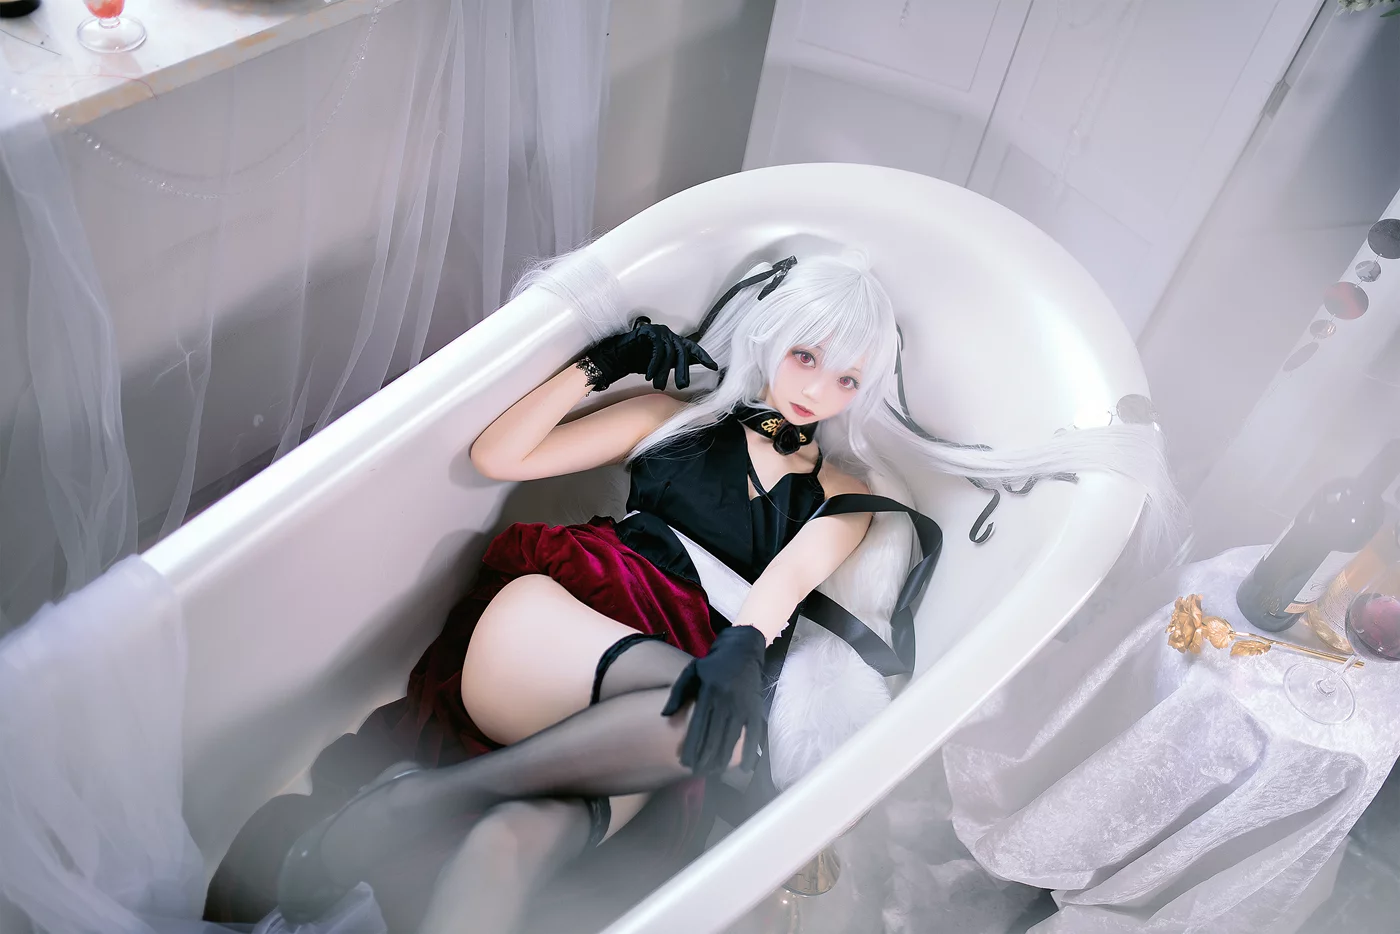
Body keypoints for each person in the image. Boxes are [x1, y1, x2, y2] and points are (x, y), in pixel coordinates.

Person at [207, 251, 1179, 934]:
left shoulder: (845, 492)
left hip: (673, 686)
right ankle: (405, 810)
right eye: (806, 356)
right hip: (564, 619)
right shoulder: (674, 418)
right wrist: (606, 364)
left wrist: (743, 648)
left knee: (512, 844)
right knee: (698, 726)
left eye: (846, 378)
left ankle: (411, 810)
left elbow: (784, 585)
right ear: (773, 340)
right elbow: (500, 455)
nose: (817, 389)